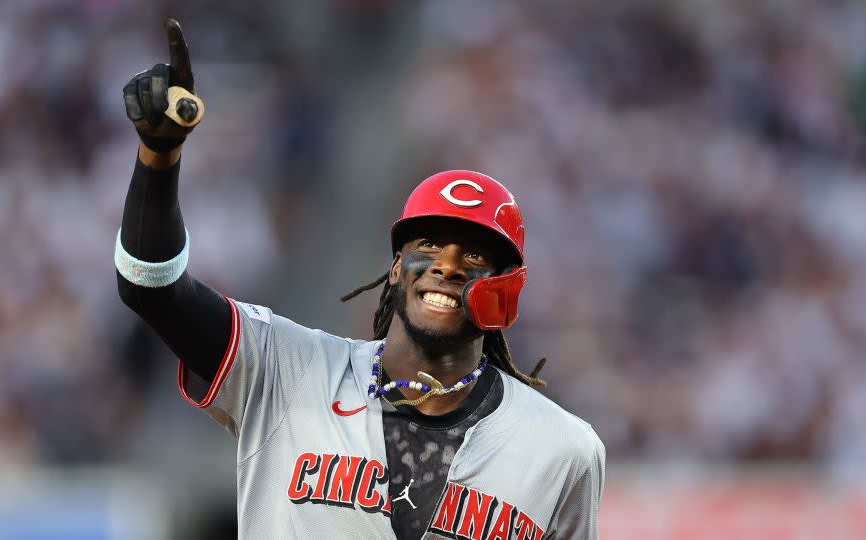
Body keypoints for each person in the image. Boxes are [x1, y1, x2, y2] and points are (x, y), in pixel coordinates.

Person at [116, 19, 605, 539]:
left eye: (477, 256)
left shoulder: (564, 450)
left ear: (508, 289)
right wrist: (158, 159)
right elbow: (151, 286)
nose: (447, 265)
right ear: (396, 268)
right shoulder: (288, 369)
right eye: (429, 246)